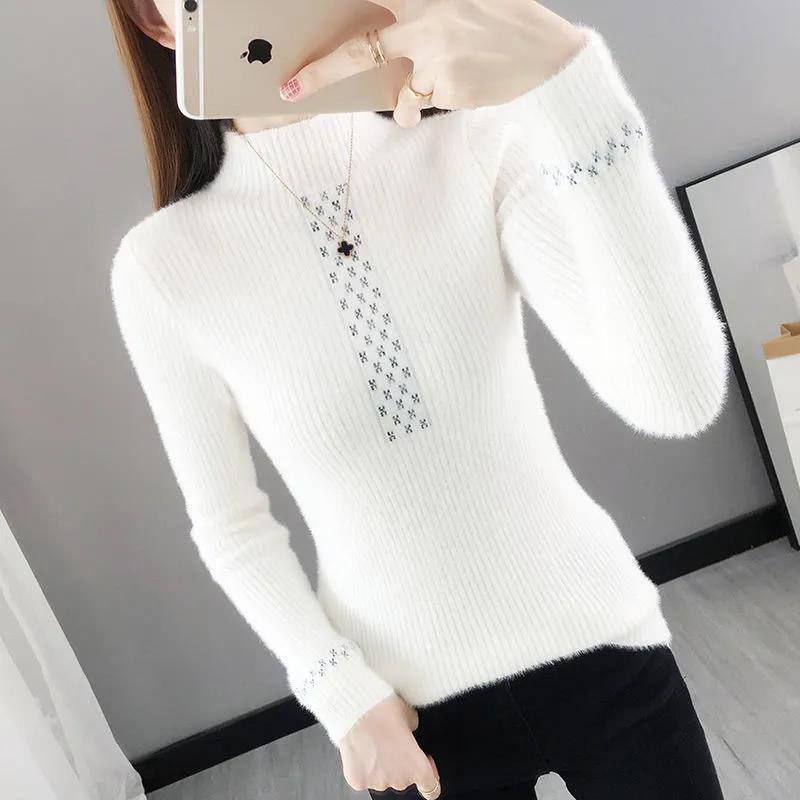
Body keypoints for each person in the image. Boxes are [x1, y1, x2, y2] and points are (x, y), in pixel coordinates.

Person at [107, 1, 730, 798]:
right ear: (157, 22)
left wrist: (572, 85)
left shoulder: (473, 142)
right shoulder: (163, 265)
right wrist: (342, 697)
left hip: (603, 643)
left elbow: (677, 400)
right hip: (405, 720)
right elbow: (232, 528)